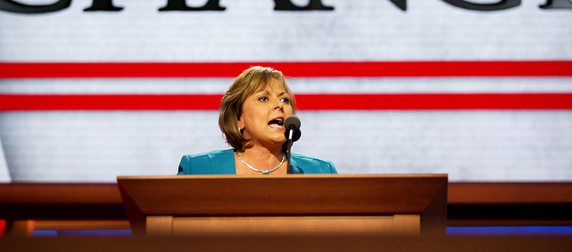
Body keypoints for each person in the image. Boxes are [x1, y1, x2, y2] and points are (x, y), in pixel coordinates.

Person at [177, 66, 337, 175]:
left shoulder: (322, 172)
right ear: (239, 119)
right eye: (263, 98)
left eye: (284, 100)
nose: (279, 106)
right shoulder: (199, 169)